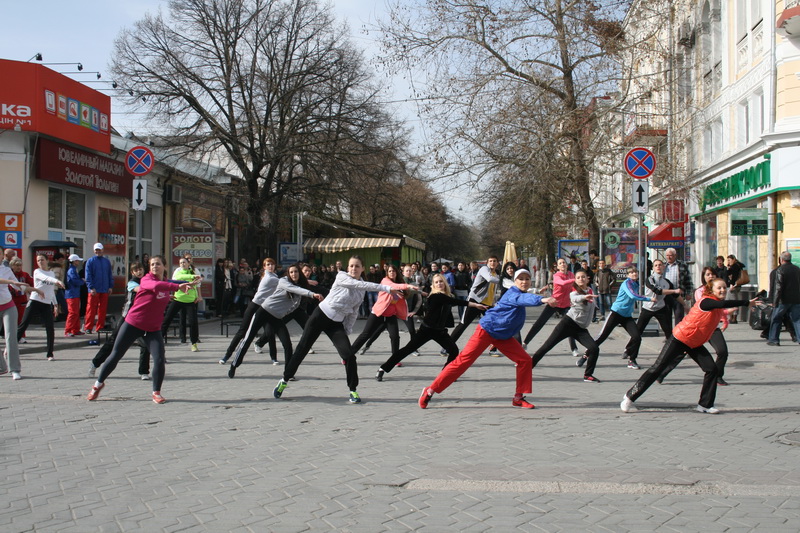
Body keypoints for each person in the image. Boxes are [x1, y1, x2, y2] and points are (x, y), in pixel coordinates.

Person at [418, 269, 555, 409]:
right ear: (515, 281)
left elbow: (525, 298)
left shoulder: (521, 293)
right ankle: (430, 391)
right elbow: (523, 299)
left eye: (527, 279)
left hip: (502, 337)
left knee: (525, 360)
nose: (524, 281)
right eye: (521, 279)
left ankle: (518, 398)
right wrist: (542, 299)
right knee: (462, 362)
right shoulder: (513, 293)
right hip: (486, 330)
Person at [273, 255, 400, 404]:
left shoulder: (361, 289)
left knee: (349, 355)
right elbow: (360, 285)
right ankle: (284, 379)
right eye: (351, 265)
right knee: (303, 348)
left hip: (336, 324)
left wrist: (346, 331)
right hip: (320, 316)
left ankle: (353, 390)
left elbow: (354, 311)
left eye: (357, 266)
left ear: (362, 268)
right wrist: (387, 288)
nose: (353, 268)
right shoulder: (342, 276)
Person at [620, 278, 754, 415]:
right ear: (711, 290)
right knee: (657, 368)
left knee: (711, 369)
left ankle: (705, 405)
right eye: (719, 288)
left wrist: (731, 313)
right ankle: (630, 396)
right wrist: (746, 302)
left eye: (724, 288)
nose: (722, 290)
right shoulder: (706, 301)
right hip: (680, 338)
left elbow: (722, 310)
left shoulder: (717, 305)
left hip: (694, 342)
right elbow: (722, 304)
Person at [86, 256, 199, 404]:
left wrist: (186, 282)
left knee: (159, 359)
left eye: (158, 264)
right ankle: (97, 385)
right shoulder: (146, 280)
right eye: (152, 264)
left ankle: (156, 392)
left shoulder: (165, 282)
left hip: (153, 328)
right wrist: (178, 287)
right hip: (133, 324)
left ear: (164, 267)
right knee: (115, 355)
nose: (154, 267)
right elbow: (158, 286)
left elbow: (169, 283)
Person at [375, 273, 488, 380]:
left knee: (453, 351)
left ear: (444, 283)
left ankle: (445, 374)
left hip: (440, 332)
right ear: (433, 285)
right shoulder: (435, 296)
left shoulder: (446, 296)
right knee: (407, 350)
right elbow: (457, 301)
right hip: (426, 330)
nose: (439, 284)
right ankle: (383, 368)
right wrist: (475, 304)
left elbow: (452, 301)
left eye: (441, 282)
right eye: (436, 282)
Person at [227, 263, 322, 378]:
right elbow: (293, 289)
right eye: (291, 272)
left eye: (296, 272)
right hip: (264, 311)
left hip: (276, 317)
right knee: (248, 338)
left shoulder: (300, 288)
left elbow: (295, 303)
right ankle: (234, 364)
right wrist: (312, 294)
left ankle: (288, 373)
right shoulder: (283, 281)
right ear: (288, 273)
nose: (294, 274)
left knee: (287, 344)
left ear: (299, 273)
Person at [657, 266, 733, 385]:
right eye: (707, 274)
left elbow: (720, 309)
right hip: (698, 328)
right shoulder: (700, 291)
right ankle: (662, 373)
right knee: (681, 352)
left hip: (713, 328)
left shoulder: (719, 289)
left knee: (722, 351)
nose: (710, 276)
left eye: (712, 274)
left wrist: (725, 320)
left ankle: (718, 376)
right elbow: (710, 307)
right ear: (703, 277)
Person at [534, 269, 601, 382]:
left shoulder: (590, 290)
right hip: (567, 324)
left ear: (587, 279)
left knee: (594, 348)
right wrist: (584, 297)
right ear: (575, 279)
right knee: (546, 347)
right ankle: (527, 367)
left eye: (583, 277)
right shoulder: (574, 291)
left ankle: (588, 375)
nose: (581, 279)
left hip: (580, 328)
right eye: (578, 277)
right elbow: (574, 298)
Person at [88, 263, 152, 380]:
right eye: (136, 270)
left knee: (145, 344)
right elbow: (141, 289)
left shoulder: (147, 282)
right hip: (127, 318)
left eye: (141, 269)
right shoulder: (132, 283)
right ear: (132, 272)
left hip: (141, 319)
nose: (139, 272)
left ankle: (144, 372)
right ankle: (94, 364)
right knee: (113, 343)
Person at [591, 266, 655, 369]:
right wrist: (649, 299)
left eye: (635, 272)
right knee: (603, 336)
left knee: (637, 337)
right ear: (628, 275)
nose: (634, 274)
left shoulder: (636, 284)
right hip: (616, 312)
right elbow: (633, 296)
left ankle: (632, 360)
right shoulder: (627, 283)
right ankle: (587, 354)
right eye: (631, 272)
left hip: (626, 316)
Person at [219, 258, 279, 365]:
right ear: (264, 267)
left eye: (272, 264)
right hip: (255, 306)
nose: (270, 266)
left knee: (270, 332)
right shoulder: (269, 277)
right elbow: (286, 283)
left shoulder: (274, 277)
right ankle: (227, 355)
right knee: (242, 332)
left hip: (265, 308)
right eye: (268, 264)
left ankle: (274, 358)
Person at [350, 265, 417, 358]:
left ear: (397, 273)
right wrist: (407, 285)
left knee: (395, 337)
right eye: (389, 271)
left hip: (390, 315)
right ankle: (348, 354)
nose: (392, 273)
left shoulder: (400, 283)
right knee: (366, 334)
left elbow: (405, 293)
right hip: (379, 313)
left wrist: (420, 292)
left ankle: (394, 359)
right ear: (387, 273)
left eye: (393, 271)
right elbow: (393, 286)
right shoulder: (385, 281)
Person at [623, 259, 681, 368]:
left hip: (661, 309)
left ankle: (672, 356)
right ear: (653, 268)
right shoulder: (649, 279)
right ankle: (631, 355)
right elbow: (657, 291)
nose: (658, 267)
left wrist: (686, 306)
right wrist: (674, 291)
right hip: (647, 308)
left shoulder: (667, 282)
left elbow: (676, 295)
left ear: (664, 267)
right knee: (637, 333)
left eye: (660, 265)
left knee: (669, 333)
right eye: (656, 265)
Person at [522, 258, 579, 356]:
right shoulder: (556, 275)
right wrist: (576, 279)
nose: (562, 264)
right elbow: (562, 283)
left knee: (570, 325)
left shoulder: (571, 274)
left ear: (567, 264)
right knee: (540, 322)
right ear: (557, 266)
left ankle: (574, 349)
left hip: (566, 305)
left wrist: (575, 297)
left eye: (564, 263)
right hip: (554, 302)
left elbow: (574, 288)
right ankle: (525, 342)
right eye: (560, 263)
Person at [17, 255, 65, 361]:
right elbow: (46, 278)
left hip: (46, 303)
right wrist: (57, 281)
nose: (40, 262)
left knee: (50, 328)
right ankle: (10, 348)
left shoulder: (51, 273)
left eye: (42, 260)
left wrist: (55, 304)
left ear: (47, 261)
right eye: (38, 260)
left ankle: (50, 353)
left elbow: (51, 290)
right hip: (35, 301)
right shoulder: (37, 272)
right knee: (23, 325)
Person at [448, 255, 500, 346]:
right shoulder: (484, 269)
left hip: (488, 305)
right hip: (475, 301)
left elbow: (493, 290)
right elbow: (489, 279)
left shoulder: (497, 274)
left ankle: (493, 348)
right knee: (463, 324)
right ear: (487, 262)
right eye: (490, 261)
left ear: (497, 263)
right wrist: (502, 280)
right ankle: (447, 346)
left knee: (494, 326)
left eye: (494, 261)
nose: (492, 263)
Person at [0, 261, 40, 380]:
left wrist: (34, 289)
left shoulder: (6, 270)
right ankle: (2, 367)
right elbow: (10, 282)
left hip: (8, 306)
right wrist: (11, 281)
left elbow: (17, 285)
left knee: (11, 337)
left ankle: (15, 370)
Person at [161, 257, 201, 351]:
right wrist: (191, 278)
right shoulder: (178, 271)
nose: (182, 264)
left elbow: (198, 283)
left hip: (190, 300)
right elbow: (177, 279)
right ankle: (159, 338)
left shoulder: (194, 271)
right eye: (180, 263)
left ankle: (194, 343)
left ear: (188, 263)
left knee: (193, 322)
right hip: (178, 299)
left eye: (184, 262)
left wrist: (198, 296)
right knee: (167, 319)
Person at [767, 251, 800, 346]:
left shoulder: (780, 270)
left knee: (776, 319)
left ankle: (774, 340)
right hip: (796, 299)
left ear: (781, 260)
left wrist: (775, 301)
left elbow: (778, 287)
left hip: (782, 300)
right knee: (797, 320)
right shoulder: (797, 269)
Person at [84, 243, 114, 333]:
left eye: (99, 250)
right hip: (94, 289)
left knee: (102, 309)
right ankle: (88, 327)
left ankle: (100, 327)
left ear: (102, 250)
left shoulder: (106, 262)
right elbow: (88, 275)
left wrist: (110, 286)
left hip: (104, 289)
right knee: (91, 308)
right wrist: (91, 287)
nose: (98, 251)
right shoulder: (90, 261)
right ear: (94, 251)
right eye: (96, 250)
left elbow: (110, 275)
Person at [663, 247, 692, 324]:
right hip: (666, 295)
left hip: (678, 295)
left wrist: (689, 293)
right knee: (666, 317)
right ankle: (669, 335)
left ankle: (678, 334)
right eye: (667, 255)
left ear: (675, 255)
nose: (669, 257)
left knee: (679, 316)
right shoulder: (663, 266)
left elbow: (688, 280)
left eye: (671, 255)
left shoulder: (682, 265)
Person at [8, 258, 33, 342]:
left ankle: (21, 336)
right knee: (11, 319)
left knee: (21, 319)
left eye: (20, 265)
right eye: (17, 265)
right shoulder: (9, 274)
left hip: (22, 300)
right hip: (11, 299)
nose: (19, 267)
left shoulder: (25, 275)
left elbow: (31, 283)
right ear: (12, 266)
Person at [64, 254, 85, 337]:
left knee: (75, 312)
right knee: (73, 313)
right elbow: (75, 281)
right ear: (74, 261)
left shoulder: (72, 270)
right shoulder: (72, 271)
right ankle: (68, 330)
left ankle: (75, 329)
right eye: (77, 260)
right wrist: (82, 281)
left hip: (73, 294)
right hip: (72, 294)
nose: (78, 262)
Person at [725, 254, 747, 324]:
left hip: (733, 286)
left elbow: (734, 276)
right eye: (727, 260)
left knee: (732, 302)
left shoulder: (735, 266)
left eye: (729, 260)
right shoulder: (738, 265)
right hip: (736, 286)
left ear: (733, 259)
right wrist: (728, 268)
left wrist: (731, 284)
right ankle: (732, 318)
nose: (728, 262)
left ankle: (733, 318)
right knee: (731, 301)